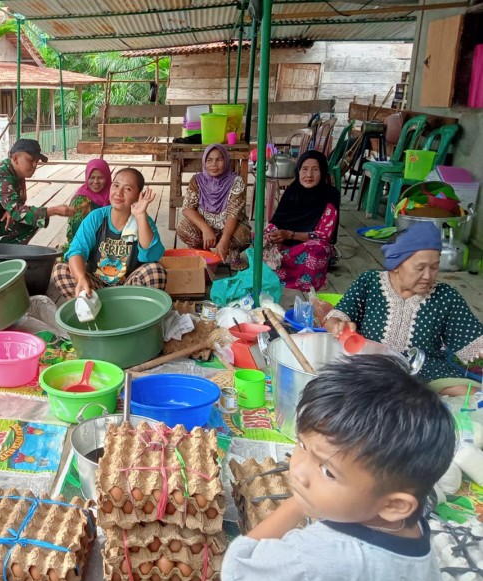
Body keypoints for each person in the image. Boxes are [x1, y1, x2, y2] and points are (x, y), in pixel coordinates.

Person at [223, 355, 453, 581]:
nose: (299, 472)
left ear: (395, 505)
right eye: (301, 444)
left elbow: (239, 570)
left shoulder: (314, 559)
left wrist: (298, 505)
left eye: (327, 471)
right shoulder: (410, 529)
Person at [325, 222, 483, 395]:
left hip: (426, 375)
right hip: (370, 370)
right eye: (420, 268)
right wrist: (338, 325)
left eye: (434, 267)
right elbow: (335, 318)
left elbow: (475, 341)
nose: (428, 276)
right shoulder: (369, 283)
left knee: (472, 394)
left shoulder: (445, 296)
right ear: (397, 265)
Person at [51, 168, 166, 299]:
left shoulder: (144, 220)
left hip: (129, 289)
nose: (119, 192)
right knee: (61, 270)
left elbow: (152, 257)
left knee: (156, 271)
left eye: (127, 189)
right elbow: (76, 251)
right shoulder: (96, 217)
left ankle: (131, 314)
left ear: (139, 195)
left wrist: (140, 216)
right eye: (116, 185)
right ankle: (93, 310)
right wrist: (81, 278)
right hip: (96, 288)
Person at [263, 151, 340, 291]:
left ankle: (299, 280)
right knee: (261, 238)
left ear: (322, 172)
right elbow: (277, 220)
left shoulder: (330, 195)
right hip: (285, 246)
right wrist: (274, 233)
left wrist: (290, 235)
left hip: (308, 247)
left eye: (315, 169)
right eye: (304, 169)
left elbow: (323, 235)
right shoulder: (292, 191)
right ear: (298, 171)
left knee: (318, 249)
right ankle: (277, 272)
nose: (309, 175)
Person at [175, 144, 251, 262]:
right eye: (209, 160)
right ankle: (203, 252)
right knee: (183, 228)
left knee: (244, 236)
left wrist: (224, 240)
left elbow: (233, 214)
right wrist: (205, 228)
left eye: (219, 159)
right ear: (204, 162)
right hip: (205, 227)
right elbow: (187, 208)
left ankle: (233, 254)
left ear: (226, 161)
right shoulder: (197, 180)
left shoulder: (236, 181)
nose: (214, 165)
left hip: (228, 229)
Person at [64, 158, 111, 247]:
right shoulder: (80, 199)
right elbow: (76, 230)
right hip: (84, 246)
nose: (96, 182)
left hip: (112, 245)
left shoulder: (115, 196)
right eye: (92, 177)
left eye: (100, 177)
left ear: (107, 177)